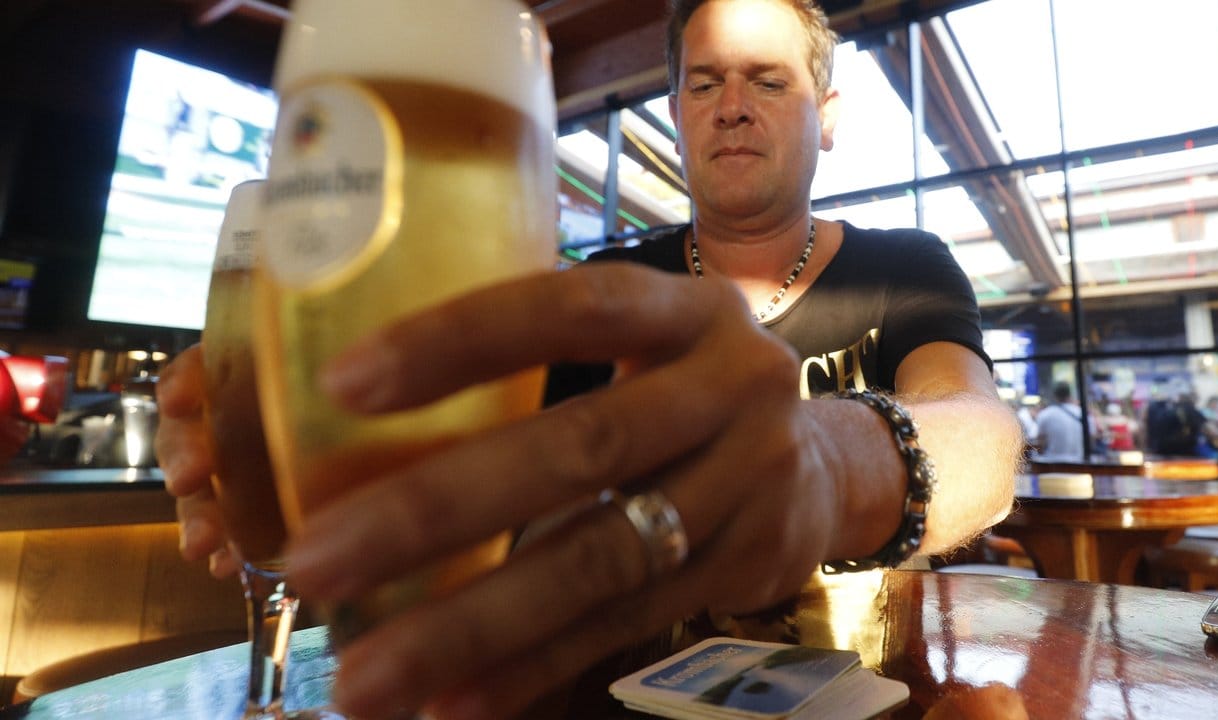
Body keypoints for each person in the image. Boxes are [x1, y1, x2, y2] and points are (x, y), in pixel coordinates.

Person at [156, 1, 1022, 717]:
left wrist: (826, 463)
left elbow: (981, 439)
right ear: (677, 110)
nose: (731, 105)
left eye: (768, 80)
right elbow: (474, 472)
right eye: (704, 83)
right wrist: (308, 444)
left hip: (872, 695)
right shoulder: (601, 293)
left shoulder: (905, 265)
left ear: (826, 118)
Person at [1032, 382, 1088, 462]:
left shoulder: (1045, 414)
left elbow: (1040, 443)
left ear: (1054, 395)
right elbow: (1091, 439)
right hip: (1079, 465)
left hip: (1052, 466)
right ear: (1070, 394)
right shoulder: (1082, 413)